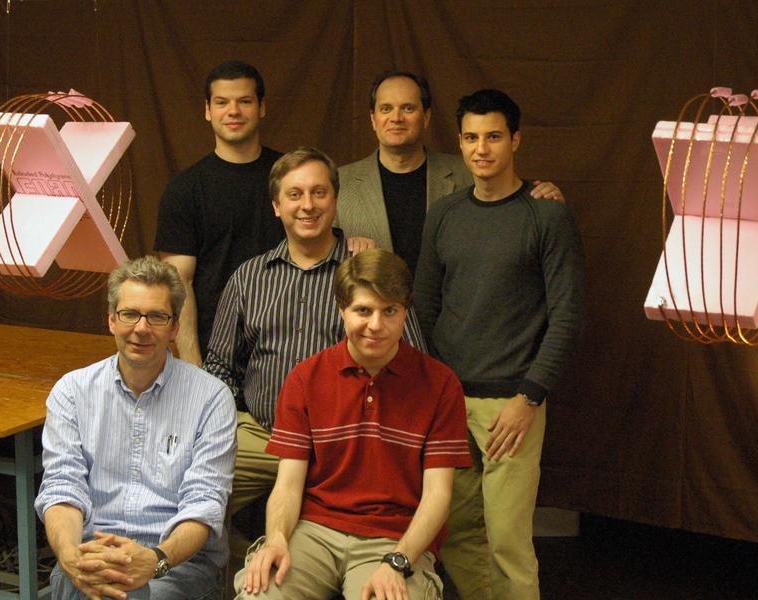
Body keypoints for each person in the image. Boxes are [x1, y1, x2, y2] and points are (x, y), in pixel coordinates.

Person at [202, 148, 427, 574]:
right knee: (193, 496)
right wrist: (227, 419)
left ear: (335, 200)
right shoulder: (249, 277)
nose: (308, 205)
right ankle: (243, 569)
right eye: (295, 194)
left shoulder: (368, 273)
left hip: (343, 444)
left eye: (319, 192)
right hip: (260, 435)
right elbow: (219, 365)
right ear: (277, 205)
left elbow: (413, 364)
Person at [414, 89, 587, 600]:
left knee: (509, 540)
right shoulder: (444, 215)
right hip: (447, 399)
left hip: (511, 403)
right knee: (459, 532)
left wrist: (529, 397)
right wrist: (433, 389)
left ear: (515, 140)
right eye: (470, 137)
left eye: (493, 137)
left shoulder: (546, 216)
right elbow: (424, 309)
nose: (481, 148)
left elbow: (568, 316)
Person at [235, 248, 472, 600]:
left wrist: (398, 560)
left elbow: (438, 495)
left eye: (389, 311)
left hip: (395, 537)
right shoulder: (305, 378)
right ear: (342, 309)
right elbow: (287, 485)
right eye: (363, 310)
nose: (376, 325)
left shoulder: (440, 384)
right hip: (314, 531)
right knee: (262, 593)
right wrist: (276, 540)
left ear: (405, 312)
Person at [35, 255, 237, 600]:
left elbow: (204, 504)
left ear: (174, 327)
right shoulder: (72, 391)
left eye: (157, 316)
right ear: (112, 320)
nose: (141, 328)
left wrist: (155, 560)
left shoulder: (211, 399)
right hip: (91, 551)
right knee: (78, 590)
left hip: (175, 562)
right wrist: (70, 556)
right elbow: (62, 488)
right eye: (130, 314)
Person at [335, 70, 564, 276]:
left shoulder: (471, 172)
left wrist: (545, 202)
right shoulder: (338, 184)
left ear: (426, 117)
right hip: (373, 320)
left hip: (450, 319)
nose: (396, 117)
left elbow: (514, 205)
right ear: (373, 119)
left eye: (408, 108)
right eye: (386, 109)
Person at [155, 60, 284, 367]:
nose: (234, 111)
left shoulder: (292, 178)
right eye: (222, 102)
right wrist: (194, 369)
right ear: (208, 110)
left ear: (262, 107)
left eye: (245, 101)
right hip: (217, 355)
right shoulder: (183, 191)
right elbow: (179, 284)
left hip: (288, 348)